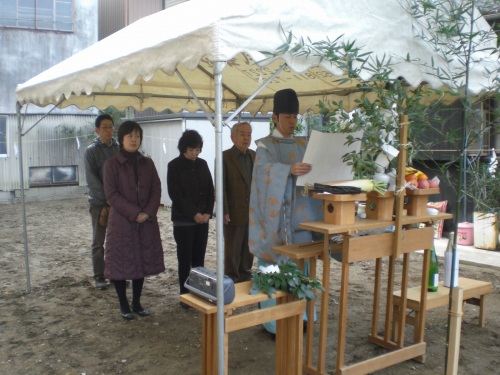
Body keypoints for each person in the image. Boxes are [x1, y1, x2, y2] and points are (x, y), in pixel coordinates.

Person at [248, 88, 323, 335]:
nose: (292, 121)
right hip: (275, 223)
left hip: (302, 218)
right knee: (273, 269)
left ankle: (303, 316)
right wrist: (287, 170)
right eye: (288, 116)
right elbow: (261, 174)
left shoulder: (304, 144)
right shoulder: (265, 146)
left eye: (295, 116)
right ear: (275, 117)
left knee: (303, 268)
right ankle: (272, 323)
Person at [103, 120, 165, 320]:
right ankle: (123, 304)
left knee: (141, 262)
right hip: (122, 223)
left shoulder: (148, 163)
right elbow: (111, 195)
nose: (134, 139)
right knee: (120, 265)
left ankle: (137, 302)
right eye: (129, 135)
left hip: (145, 222)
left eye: (137, 135)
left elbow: (156, 189)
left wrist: (147, 212)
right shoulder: (111, 165)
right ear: (121, 139)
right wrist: (134, 213)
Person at [167, 130, 215, 308]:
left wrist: (208, 212)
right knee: (184, 259)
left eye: (198, 149)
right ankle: (185, 294)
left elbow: (210, 190)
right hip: (183, 221)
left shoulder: (202, 164)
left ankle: (197, 292)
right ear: (183, 148)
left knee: (199, 259)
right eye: (192, 149)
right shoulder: (174, 166)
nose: (195, 153)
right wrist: (194, 214)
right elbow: (176, 195)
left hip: (203, 220)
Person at [84, 114, 119, 290]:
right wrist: (107, 199)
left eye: (111, 126)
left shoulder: (119, 149)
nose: (108, 130)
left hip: (119, 204)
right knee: (99, 241)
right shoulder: (91, 151)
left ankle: (115, 273)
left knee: (117, 239)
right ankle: (99, 276)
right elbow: (92, 180)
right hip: (99, 203)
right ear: (97, 130)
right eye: (104, 127)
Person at [222, 122, 256, 283]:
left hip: (252, 210)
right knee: (232, 248)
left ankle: (245, 274)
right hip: (233, 210)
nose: (246, 138)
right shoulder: (224, 157)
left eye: (249, 134)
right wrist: (224, 210)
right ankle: (231, 278)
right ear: (232, 137)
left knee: (249, 247)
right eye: (242, 134)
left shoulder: (254, 155)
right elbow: (220, 187)